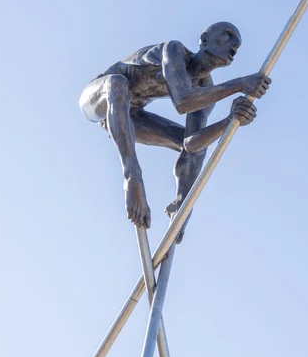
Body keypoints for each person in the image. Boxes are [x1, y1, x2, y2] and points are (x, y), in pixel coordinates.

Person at [79, 22, 271, 241]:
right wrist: (238, 84)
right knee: (118, 83)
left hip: (131, 116)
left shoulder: (205, 91)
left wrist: (230, 120)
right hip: (100, 97)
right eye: (227, 35)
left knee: (198, 148)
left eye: (237, 44)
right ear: (204, 39)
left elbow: (191, 144)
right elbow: (182, 101)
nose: (234, 44)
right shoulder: (174, 51)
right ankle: (132, 176)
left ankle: (180, 206)